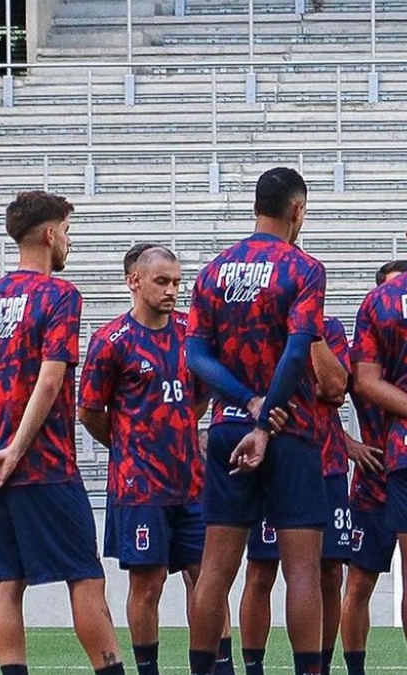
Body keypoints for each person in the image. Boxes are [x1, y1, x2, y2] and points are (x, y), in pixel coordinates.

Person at [0, 190, 124, 675]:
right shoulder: (60, 295)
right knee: (85, 578)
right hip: (43, 464)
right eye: (67, 231)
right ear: (51, 235)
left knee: (6, 581)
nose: (68, 241)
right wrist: (15, 451)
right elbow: (50, 380)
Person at [186, 167, 338, 675]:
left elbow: (196, 356)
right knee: (302, 574)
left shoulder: (214, 270)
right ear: (297, 210)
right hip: (290, 429)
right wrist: (267, 418)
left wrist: (247, 403)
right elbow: (297, 352)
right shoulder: (303, 268)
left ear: (256, 206)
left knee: (215, 571)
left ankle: (203, 669)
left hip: (230, 426)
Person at [79, 244, 215, 675]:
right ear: (133, 281)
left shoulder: (191, 333)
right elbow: (89, 411)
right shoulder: (110, 340)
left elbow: (200, 398)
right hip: (139, 486)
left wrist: (176, 436)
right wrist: (129, 446)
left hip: (191, 481)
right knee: (148, 581)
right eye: (162, 281)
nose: (173, 290)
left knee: (206, 578)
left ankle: (211, 666)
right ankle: (148, 668)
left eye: (177, 282)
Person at [238, 313, 350, 675]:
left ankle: (322, 666)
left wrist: (309, 332)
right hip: (273, 459)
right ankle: (254, 667)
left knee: (330, 571)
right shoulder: (255, 325)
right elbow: (261, 388)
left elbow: (333, 387)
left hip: (326, 461)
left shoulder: (328, 328)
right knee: (261, 568)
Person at [340, 261, 407, 675]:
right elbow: (322, 402)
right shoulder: (356, 359)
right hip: (371, 480)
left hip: (400, 464)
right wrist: (351, 447)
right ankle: (355, 668)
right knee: (360, 584)